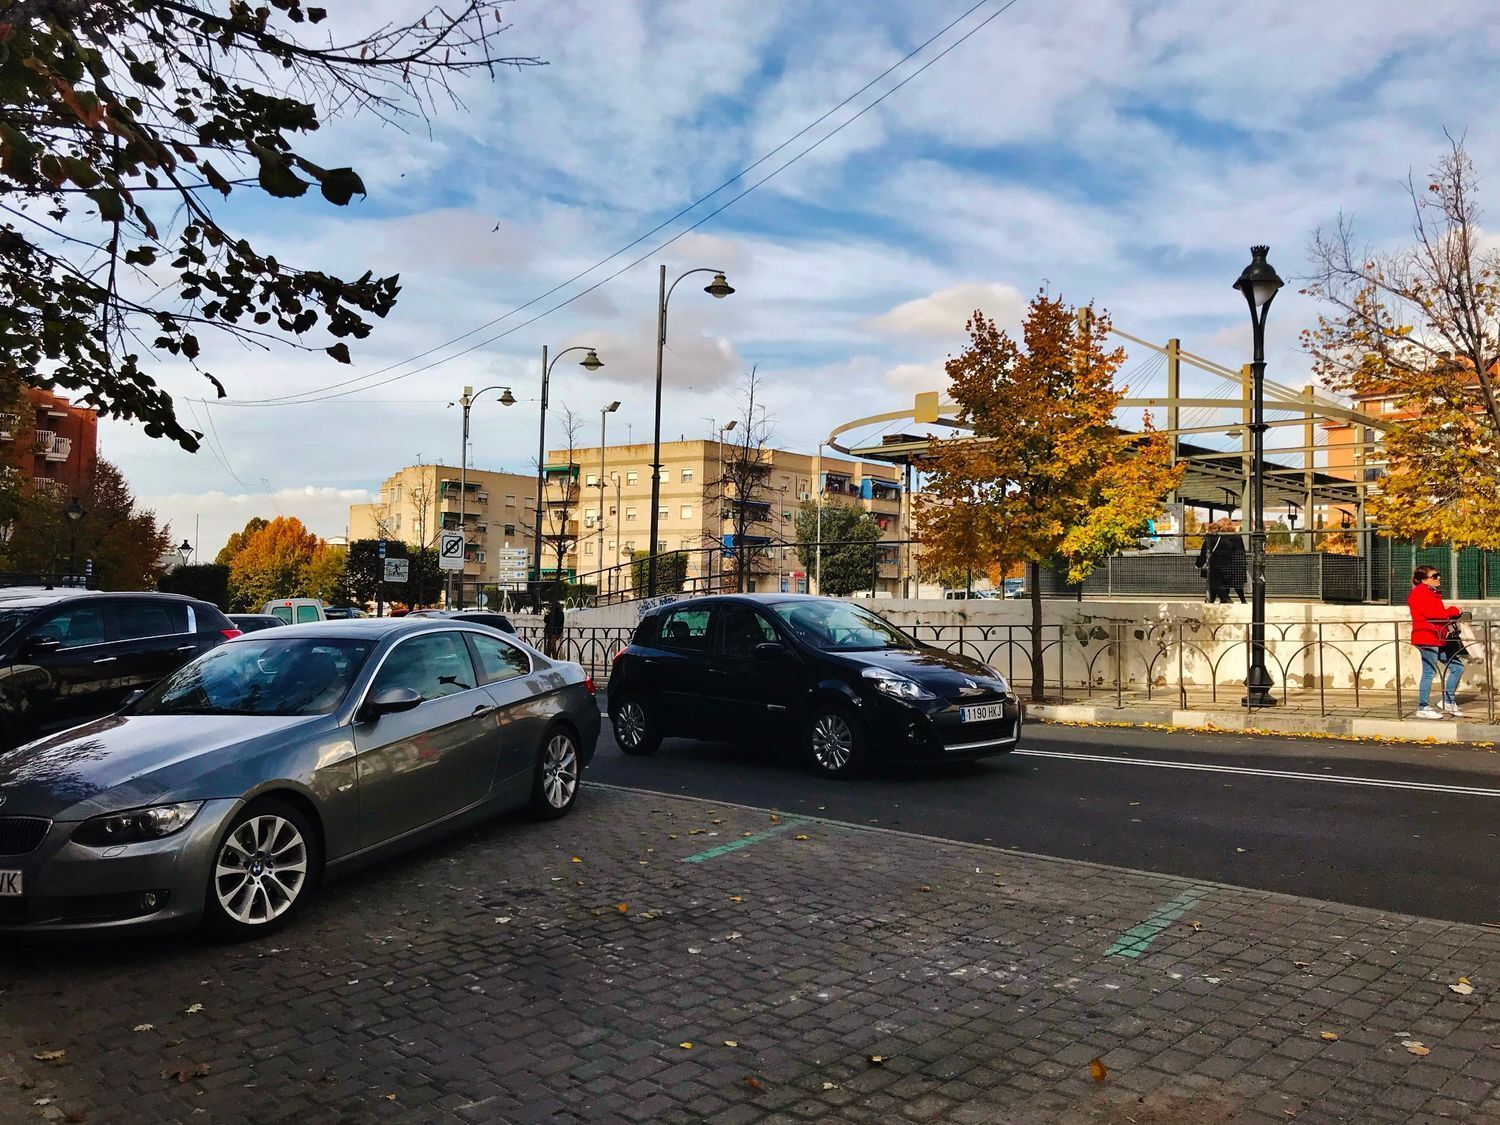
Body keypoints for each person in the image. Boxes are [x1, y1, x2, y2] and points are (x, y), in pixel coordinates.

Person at [1408, 565, 1464, 719]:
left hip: (1438, 637)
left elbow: (1438, 614)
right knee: (1429, 672)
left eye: (1438, 575)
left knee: (1457, 667)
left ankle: (1448, 701)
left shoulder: (1430, 592)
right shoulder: (1420, 592)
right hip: (1426, 636)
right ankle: (1423, 707)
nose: (1438, 578)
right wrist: (1453, 610)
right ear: (1424, 579)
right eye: (1434, 576)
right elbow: (1434, 614)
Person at [1195, 520, 1247, 604]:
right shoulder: (1236, 537)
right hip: (1234, 564)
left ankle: (1222, 600)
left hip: (1217, 566)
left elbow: (1204, 553)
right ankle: (1239, 600)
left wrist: (1198, 564)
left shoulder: (1216, 538)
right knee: (1231, 584)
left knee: (1216, 583)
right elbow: (1240, 551)